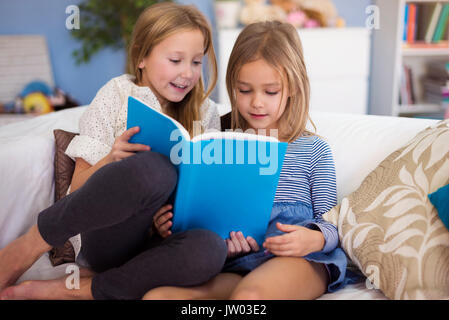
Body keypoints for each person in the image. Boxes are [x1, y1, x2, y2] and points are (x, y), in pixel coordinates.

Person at [0, 2, 227, 300]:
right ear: (142, 56)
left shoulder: (205, 113)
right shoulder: (117, 94)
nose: (187, 73)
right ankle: (30, 244)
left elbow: (204, 195)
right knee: (154, 169)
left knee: (211, 250)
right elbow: (77, 186)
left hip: (157, 242)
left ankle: (86, 289)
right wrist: (110, 160)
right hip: (108, 236)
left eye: (196, 62)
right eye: (175, 60)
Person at [142, 20, 349, 300]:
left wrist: (314, 238)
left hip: (301, 260)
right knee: (157, 298)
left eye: (271, 91)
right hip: (240, 264)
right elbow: (205, 215)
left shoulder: (313, 150)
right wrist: (167, 223)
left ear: (293, 87)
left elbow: (332, 223)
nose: (257, 103)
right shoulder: (218, 144)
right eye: (245, 90)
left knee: (249, 299)